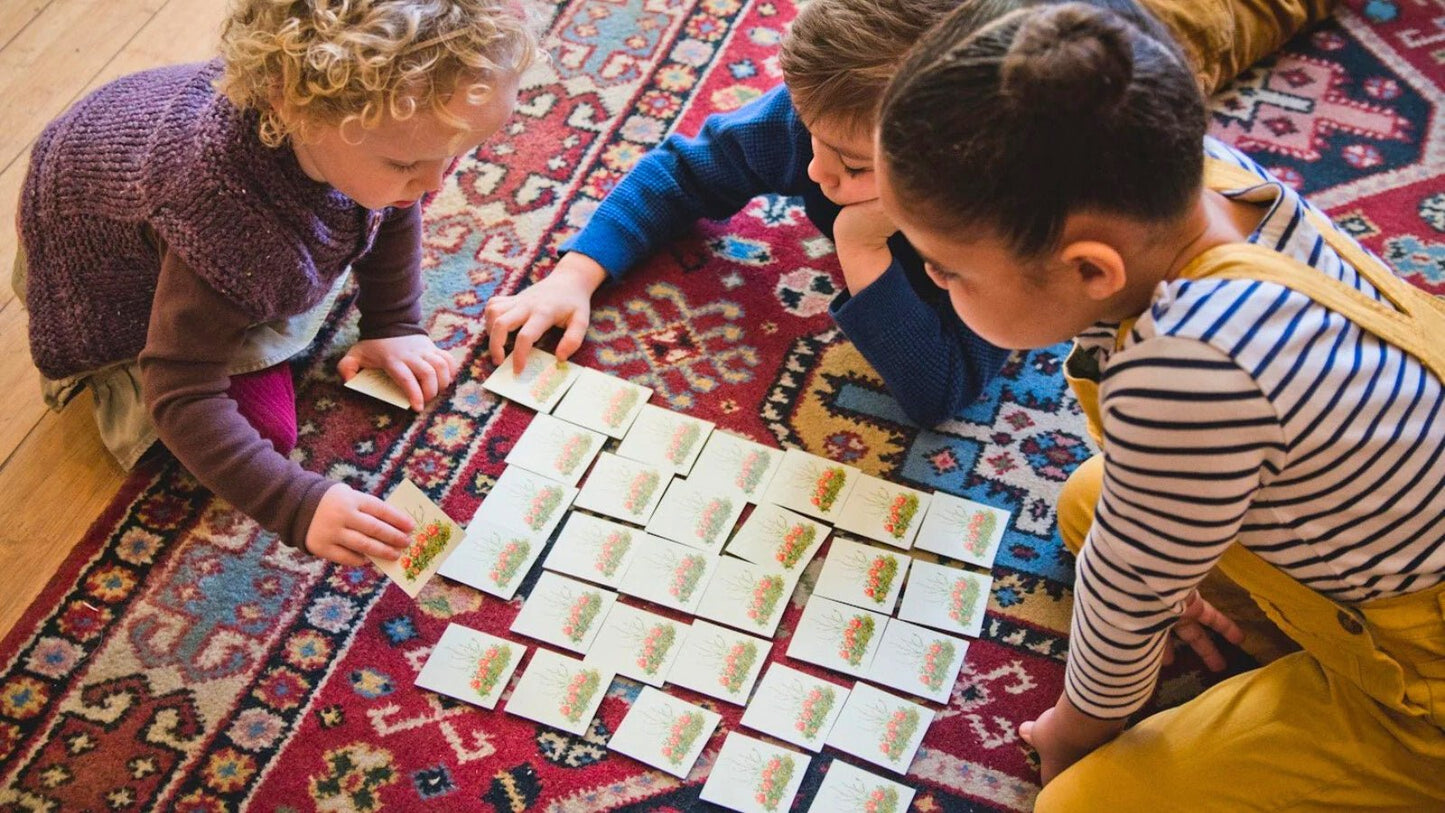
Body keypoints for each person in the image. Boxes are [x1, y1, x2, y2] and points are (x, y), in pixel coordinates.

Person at [877, 2, 1445, 808]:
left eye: (946, 268)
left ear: (1090, 269)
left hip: (1421, 685)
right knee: (1089, 502)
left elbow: (1128, 586)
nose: (932, 280)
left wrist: (1076, 725)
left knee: (1084, 801)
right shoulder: (1205, 179)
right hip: (1381, 542)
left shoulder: (1187, 368)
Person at [480, 0, 1333, 427]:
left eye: (851, 167)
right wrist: (574, 273)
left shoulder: (997, 222)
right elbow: (687, 170)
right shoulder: (813, 126)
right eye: (810, 137)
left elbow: (943, 387)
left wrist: (864, 248)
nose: (810, 170)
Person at [16, 0, 540, 565]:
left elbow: (393, 207)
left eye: (456, 154)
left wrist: (394, 324)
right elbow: (181, 391)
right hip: (110, 287)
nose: (437, 179)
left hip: (203, 232)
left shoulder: (373, 139)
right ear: (293, 107)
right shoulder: (221, 220)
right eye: (405, 163)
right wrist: (299, 504)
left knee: (374, 199)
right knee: (264, 431)